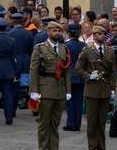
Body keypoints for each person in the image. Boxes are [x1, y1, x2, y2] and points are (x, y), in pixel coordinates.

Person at [29, 21, 71, 150]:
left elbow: (67, 71)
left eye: (59, 31)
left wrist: (68, 90)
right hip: (45, 89)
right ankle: (43, 147)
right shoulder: (40, 48)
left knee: (55, 123)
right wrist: (34, 91)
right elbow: (34, 70)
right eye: (54, 31)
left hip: (59, 90)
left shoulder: (64, 49)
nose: (57, 33)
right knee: (44, 123)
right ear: (48, 32)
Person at [76, 25, 116, 150]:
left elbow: (113, 70)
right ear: (94, 35)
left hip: (105, 90)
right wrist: (88, 76)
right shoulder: (87, 50)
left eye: (104, 34)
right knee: (92, 122)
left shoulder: (110, 51)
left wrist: (113, 87)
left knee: (102, 121)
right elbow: (79, 67)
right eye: (99, 34)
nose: (102, 36)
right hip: (92, 90)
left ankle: (101, 146)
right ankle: (92, 146)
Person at [63, 24, 87, 131]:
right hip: (81, 75)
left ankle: (71, 123)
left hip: (69, 75)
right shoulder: (84, 45)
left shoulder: (65, 45)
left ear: (69, 33)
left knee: (70, 101)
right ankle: (77, 124)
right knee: (78, 101)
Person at [8, 13, 34, 112]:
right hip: (26, 60)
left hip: (14, 60)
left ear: (13, 21)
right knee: (24, 82)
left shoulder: (10, 33)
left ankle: (13, 105)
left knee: (13, 83)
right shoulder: (28, 33)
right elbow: (32, 48)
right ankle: (23, 100)